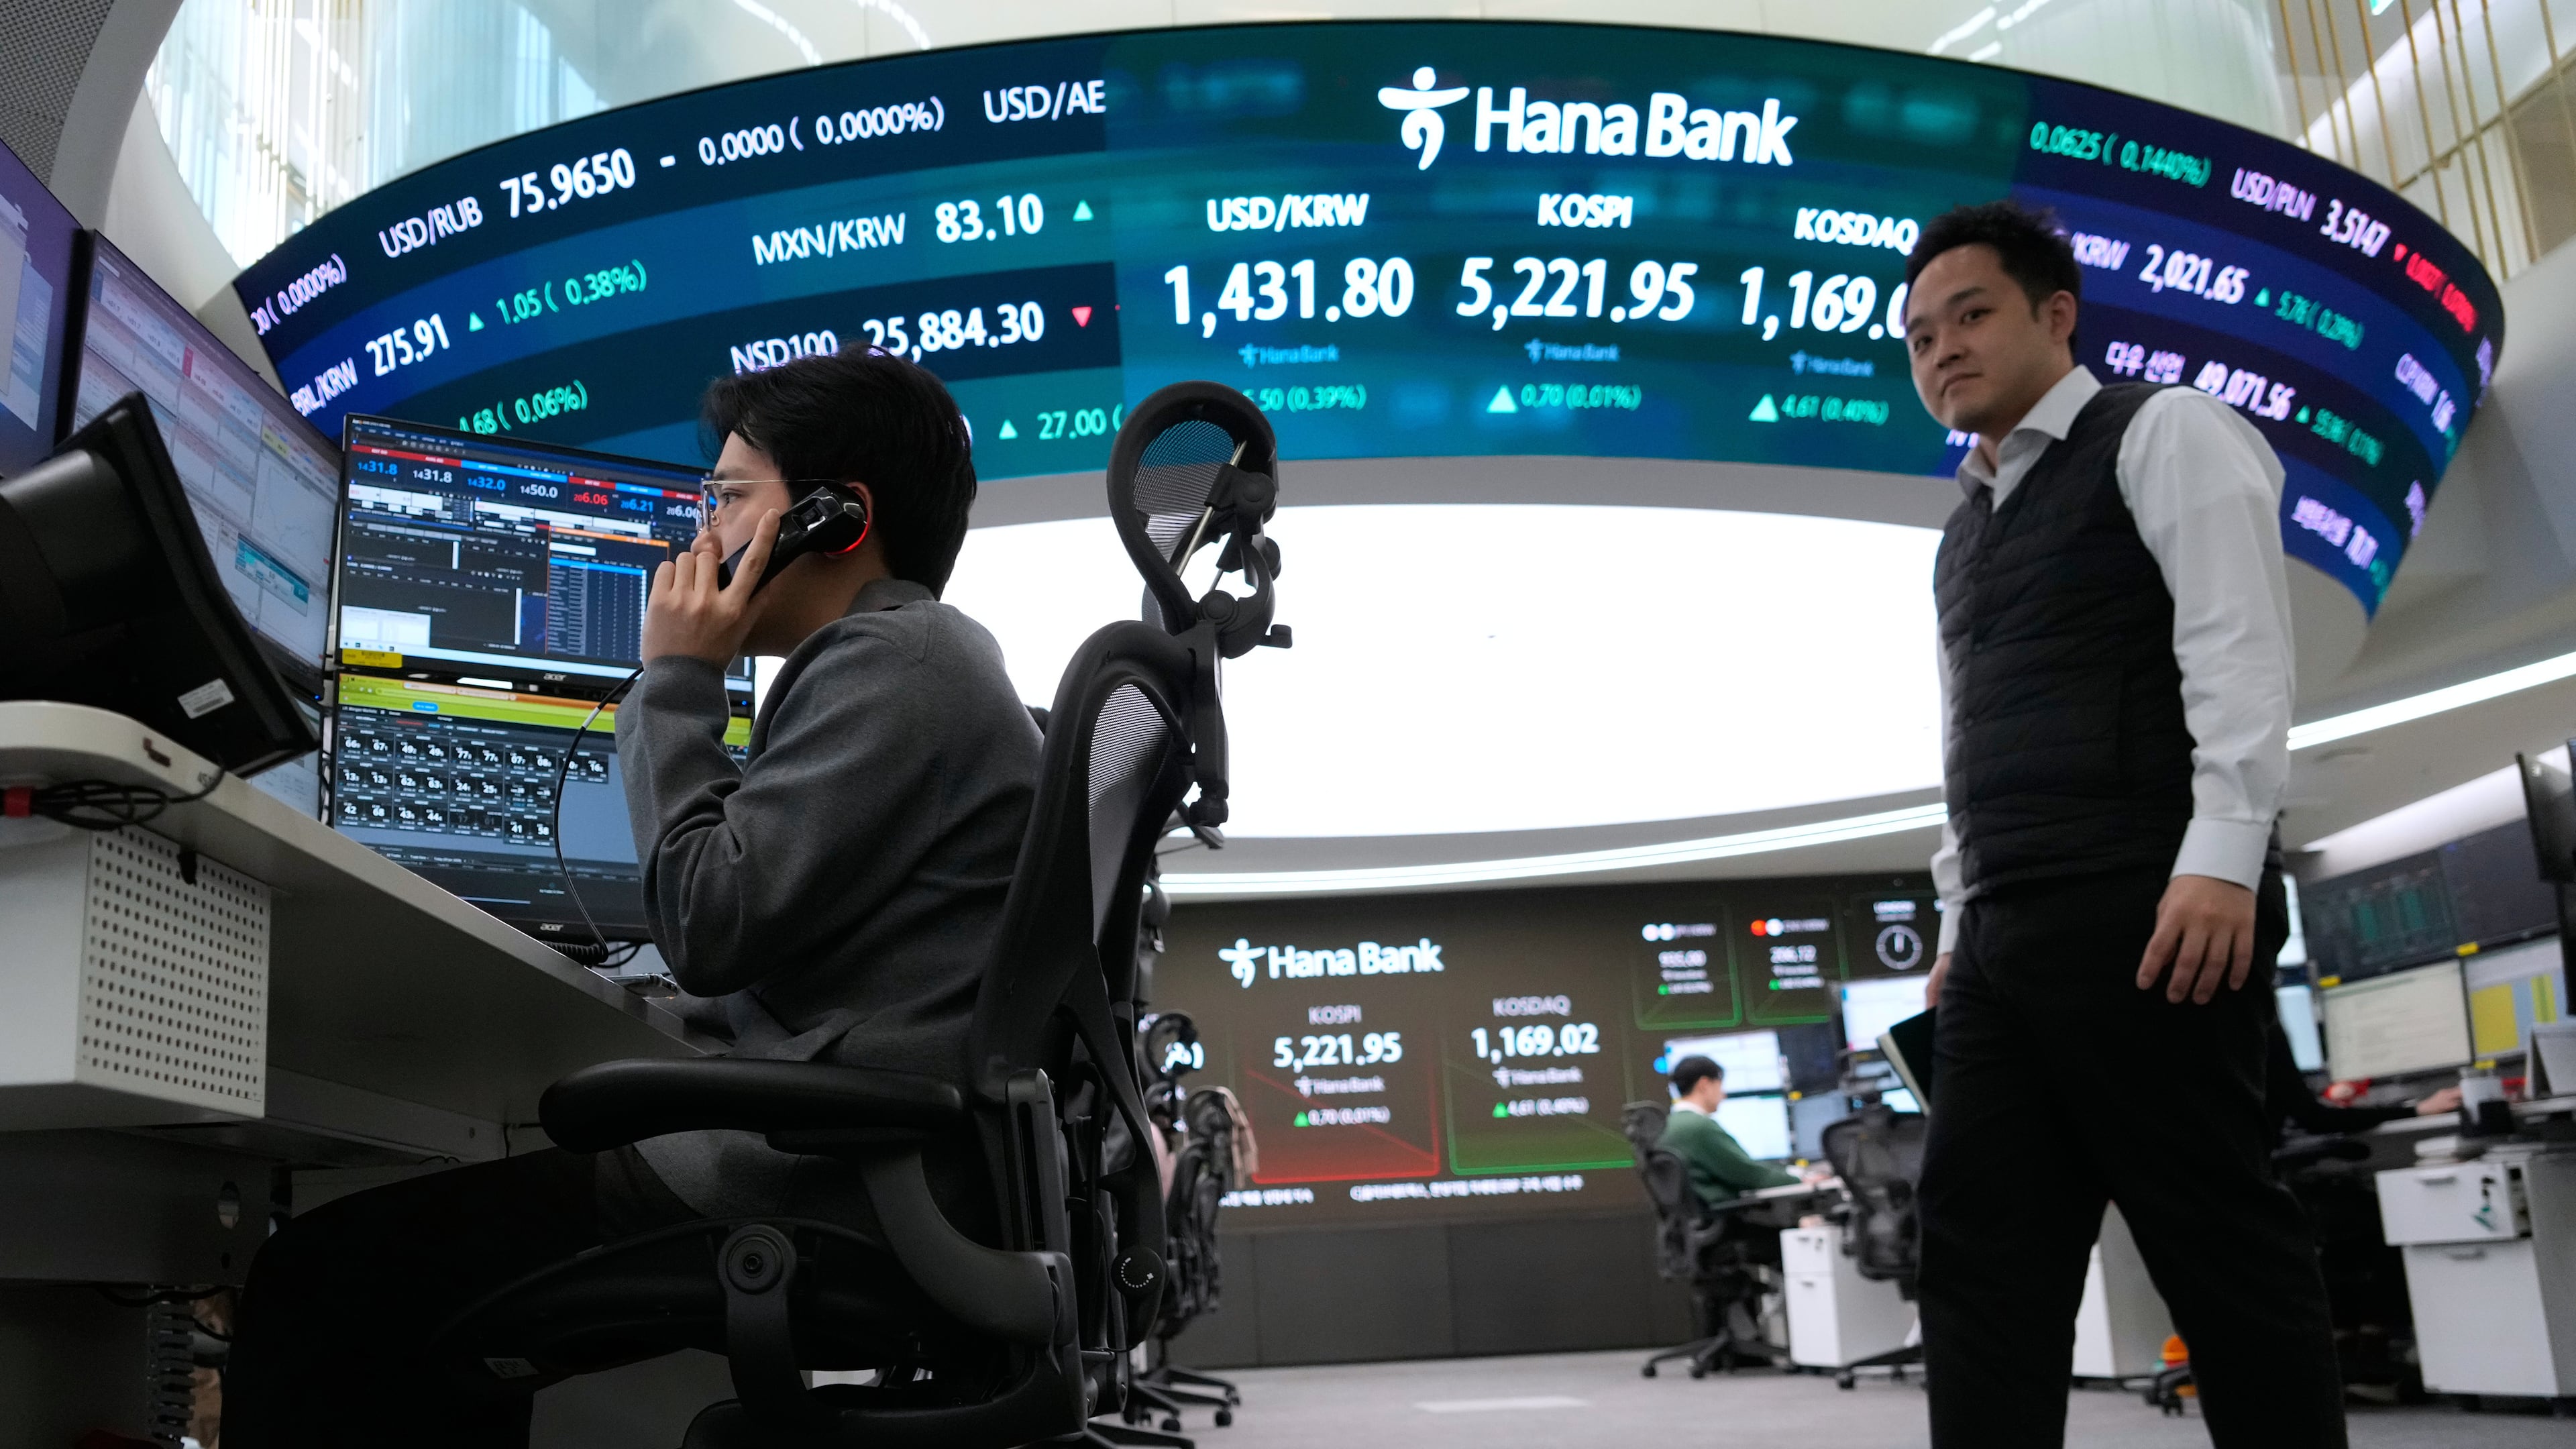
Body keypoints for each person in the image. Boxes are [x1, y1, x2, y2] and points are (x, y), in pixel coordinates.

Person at [223, 350, 1041, 1448]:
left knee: (313, 1278)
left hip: (820, 1189)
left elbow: (710, 919)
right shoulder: (911, 662)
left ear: (835, 519)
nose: (697, 538)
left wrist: (677, 677)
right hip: (870, 1176)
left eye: (727, 500)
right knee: (442, 1304)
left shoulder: (901, 663)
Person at [1900, 201, 2343, 1448]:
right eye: (1921, 336)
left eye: (1971, 316)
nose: (1943, 351)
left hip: (2151, 914)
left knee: (2219, 1252)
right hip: (1999, 938)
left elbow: (2240, 652)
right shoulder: (1963, 532)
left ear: (2056, 314)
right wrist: (1954, 914)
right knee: (1977, 1256)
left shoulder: (2166, 431)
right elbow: (1964, 747)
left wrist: (2226, 856)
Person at [1656, 1055, 1799, 1211]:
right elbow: (1751, 1175)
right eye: (1720, 1086)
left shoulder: (1669, 1125)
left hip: (1701, 1223)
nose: (1723, 1095)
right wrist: (1800, 1179)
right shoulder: (1699, 1127)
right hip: (1728, 1220)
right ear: (1704, 1085)